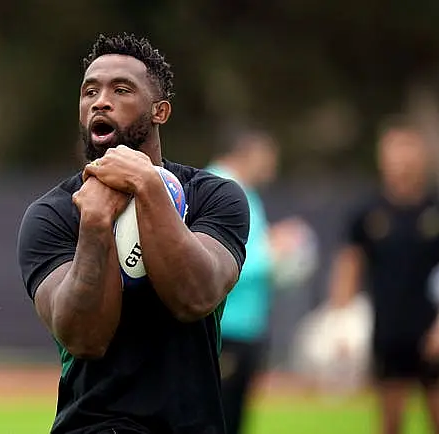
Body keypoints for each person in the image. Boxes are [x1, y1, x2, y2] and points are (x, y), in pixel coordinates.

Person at [16, 33, 250, 434]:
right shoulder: (53, 214)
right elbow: (84, 338)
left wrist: (148, 186)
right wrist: (94, 224)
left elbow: (195, 296)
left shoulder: (213, 195)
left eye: (121, 90)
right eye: (90, 91)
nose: (100, 101)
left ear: (160, 111)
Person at [326, 115, 439, 434]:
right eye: (394, 150)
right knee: (390, 423)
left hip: (436, 334)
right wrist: (340, 324)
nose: (401, 159)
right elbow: (349, 267)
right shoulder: (368, 213)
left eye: (408, 149)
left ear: (422, 155)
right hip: (389, 332)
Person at [205, 127, 307, 434]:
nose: (272, 166)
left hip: (244, 326)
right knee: (219, 418)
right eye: (268, 156)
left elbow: (246, 246)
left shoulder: (244, 191)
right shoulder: (220, 186)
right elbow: (218, 260)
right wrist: (275, 252)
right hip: (226, 327)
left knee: (232, 418)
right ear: (248, 153)